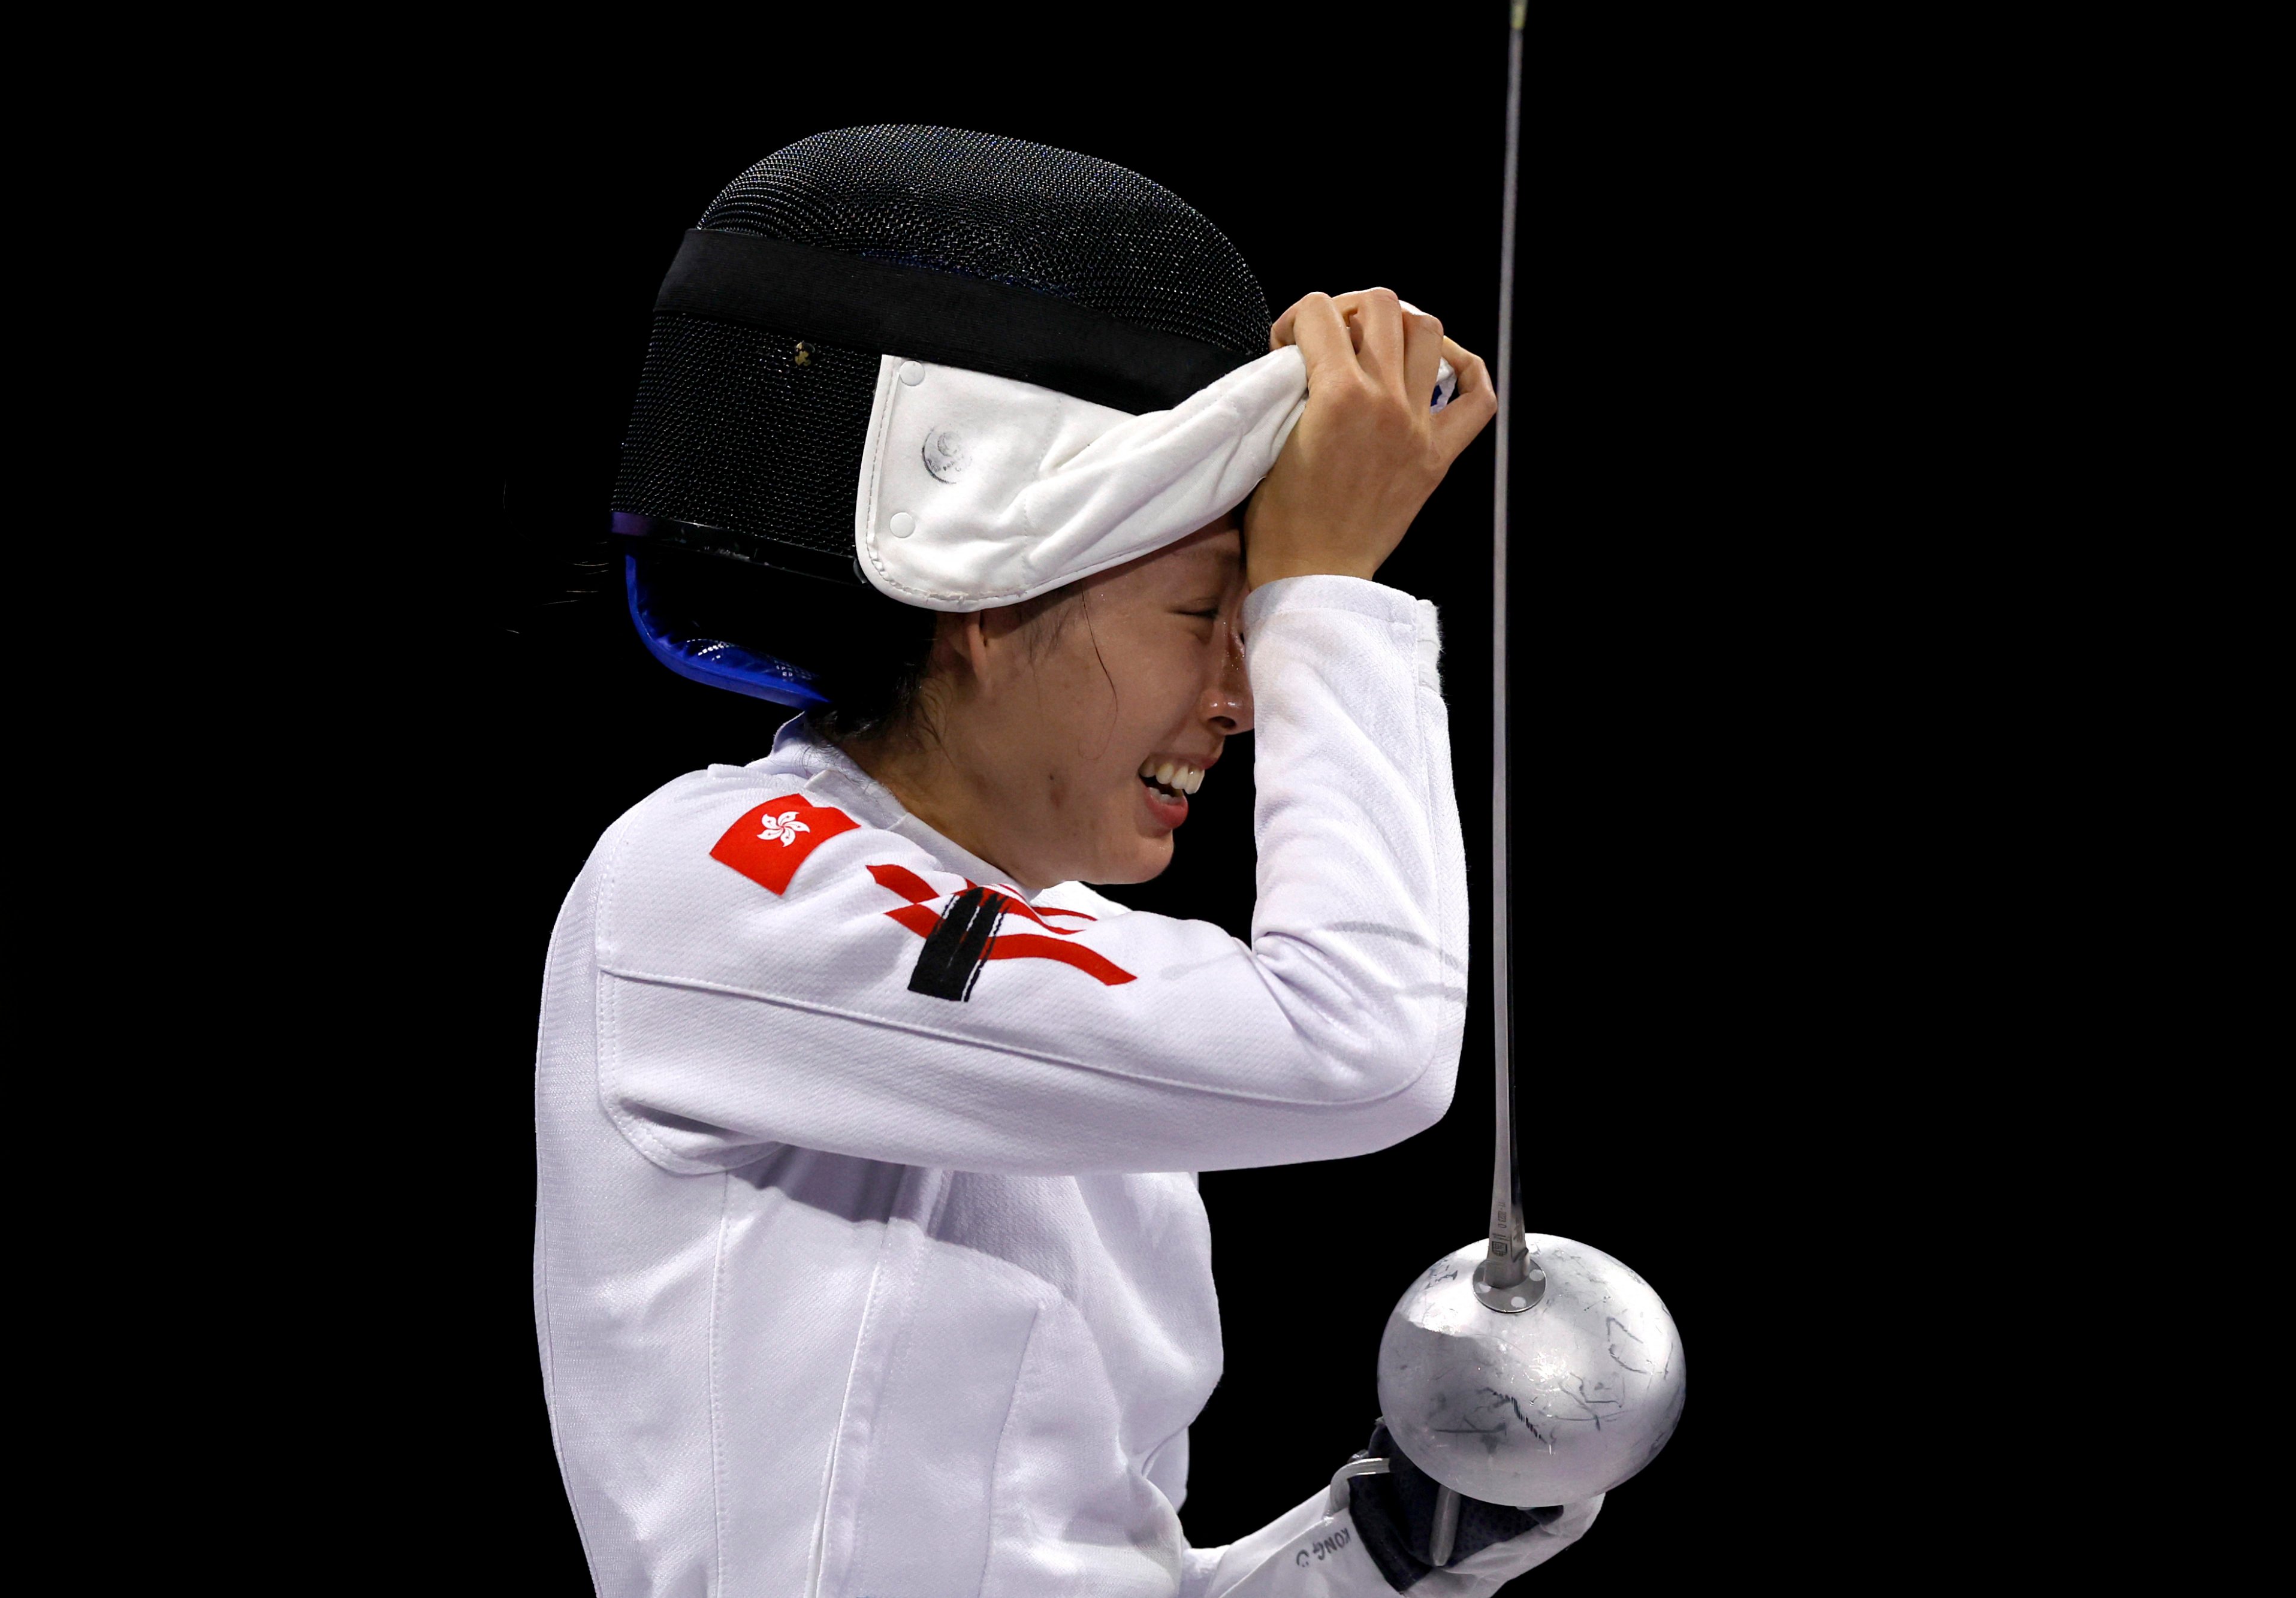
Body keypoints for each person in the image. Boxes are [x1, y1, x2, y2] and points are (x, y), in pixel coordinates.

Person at [535, 126, 1603, 1594]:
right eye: (1206, 612)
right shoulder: (715, 882)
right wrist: (1328, 596)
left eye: (1258, 623)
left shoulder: (1066, 983)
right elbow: (1361, 1045)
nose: (1243, 693)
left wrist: (1371, 1552)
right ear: (988, 591)